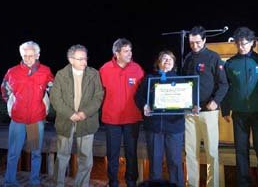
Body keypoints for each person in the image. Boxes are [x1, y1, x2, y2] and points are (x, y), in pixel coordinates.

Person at [221, 27, 258, 187]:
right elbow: (226, 87)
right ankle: (243, 183)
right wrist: (225, 109)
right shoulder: (230, 64)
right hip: (239, 113)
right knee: (241, 149)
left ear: (252, 43)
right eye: (238, 44)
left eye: (244, 44)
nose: (241, 47)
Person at [1, 41, 54, 187]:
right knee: (13, 153)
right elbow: (5, 90)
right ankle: (9, 181)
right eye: (25, 56)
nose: (28, 59)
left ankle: (34, 182)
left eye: (31, 56)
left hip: (36, 120)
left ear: (38, 55)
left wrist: (47, 104)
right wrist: (12, 106)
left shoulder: (45, 71)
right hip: (18, 120)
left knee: (36, 153)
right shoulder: (12, 72)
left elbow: (53, 89)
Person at [50, 44, 104, 187]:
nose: (85, 62)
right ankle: (58, 184)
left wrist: (84, 113)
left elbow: (98, 96)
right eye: (80, 59)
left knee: (86, 158)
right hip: (65, 121)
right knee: (62, 157)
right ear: (71, 59)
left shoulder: (94, 74)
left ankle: (82, 185)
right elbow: (55, 98)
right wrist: (70, 114)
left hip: (87, 122)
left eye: (85, 59)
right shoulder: (61, 74)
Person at [182, 26, 229, 187]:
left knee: (211, 152)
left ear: (204, 40)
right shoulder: (188, 58)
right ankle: (192, 183)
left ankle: (213, 184)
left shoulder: (213, 57)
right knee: (191, 152)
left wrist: (216, 101)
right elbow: (184, 83)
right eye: (191, 43)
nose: (194, 46)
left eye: (197, 42)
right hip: (190, 113)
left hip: (208, 112)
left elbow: (224, 84)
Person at [135, 50, 184, 187]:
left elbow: (188, 101)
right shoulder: (149, 79)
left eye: (170, 59)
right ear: (158, 62)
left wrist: (191, 107)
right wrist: (144, 105)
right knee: (155, 162)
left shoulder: (181, 80)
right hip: (154, 127)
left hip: (175, 127)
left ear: (174, 63)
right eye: (164, 59)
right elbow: (138, 96)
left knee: (174, 161)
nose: (167, 61)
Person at [99, 38, 145, 187]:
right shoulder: (105, 69)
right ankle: (113, 181)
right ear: (117, 53)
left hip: (132, 118)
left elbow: (144, 92)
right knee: (112, 153)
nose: (130, 53)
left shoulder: (137, 69)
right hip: (112, 119)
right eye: (126, 51)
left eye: (130, 50)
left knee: (131, 152)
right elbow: (99, 93)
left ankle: (131, 181)